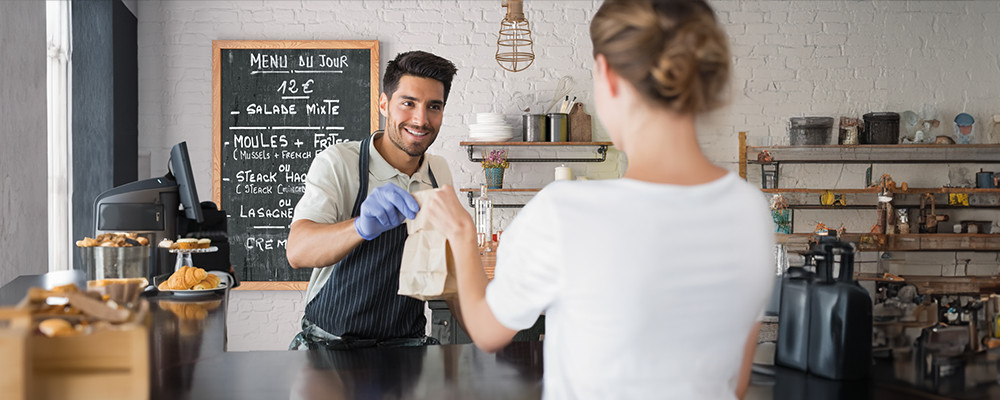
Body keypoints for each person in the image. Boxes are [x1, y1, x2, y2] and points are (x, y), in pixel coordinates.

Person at [422, 1, 774, 398]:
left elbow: (487, 330)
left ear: (606, 75)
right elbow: (736, 382)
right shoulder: (749, 209)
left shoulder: (565, 212)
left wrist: (463, 234)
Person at [286, 50, 458, 350]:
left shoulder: (437, 172)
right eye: (408, 103)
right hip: (330, 349)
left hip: (408, 349)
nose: (421, 119)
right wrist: (360, 227)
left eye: (434, 106)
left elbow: (446, 270)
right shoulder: (340, 163)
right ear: (384, 104)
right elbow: (298, 251)